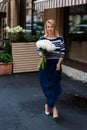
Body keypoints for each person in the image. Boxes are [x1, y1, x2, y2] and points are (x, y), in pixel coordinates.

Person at [36, 19, 65, 118]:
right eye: (48, 27)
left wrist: (59, 63)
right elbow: (38, 51)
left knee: (54, 86)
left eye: (51, 26)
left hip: (55, 64)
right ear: (46, 28)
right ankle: (54, 107)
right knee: (47, 86)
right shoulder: (42, 38)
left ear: (54, 27)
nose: (50, 29)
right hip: (45, 65)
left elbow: (62, 52)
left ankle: (48, 105)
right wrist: (41, 53)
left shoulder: (60, 38)